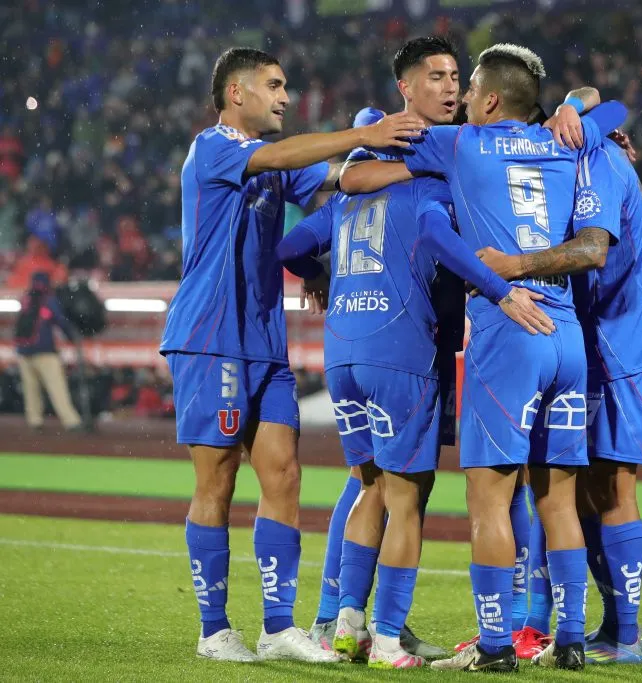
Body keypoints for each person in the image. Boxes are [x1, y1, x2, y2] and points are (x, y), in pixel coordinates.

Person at [342, 43, 626, 671]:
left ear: (490, 100)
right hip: (566, 332)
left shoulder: (462, 144)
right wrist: (578, 104)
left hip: (506, 329)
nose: (460, 99)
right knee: (558, 499)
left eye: (467, 89)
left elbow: (368, 143)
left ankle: (495, 649)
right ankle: (570, 640)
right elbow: (612, 107)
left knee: (490, 502)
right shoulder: (567, 143)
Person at [158, 46, 425, 663]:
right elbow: (278, 155)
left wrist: (427, 170)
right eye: (274, 86)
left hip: (263, 341)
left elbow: (345, 178)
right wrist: (364, 132)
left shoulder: (277, 165)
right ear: (237, 94)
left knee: (283, 473)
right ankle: (214, 629)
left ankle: (278, 628)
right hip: (209, 337)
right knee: (218, 480)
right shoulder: (215, 147)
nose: (284, 97)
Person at [477, 132, 642, 665]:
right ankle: (568, 624)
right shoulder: (572, 151)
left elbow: (592, 249)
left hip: (623, 344)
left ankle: (624, 635)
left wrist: (512, 266)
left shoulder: (597, 157)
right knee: (565, 486)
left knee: (611, 484)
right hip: (586, 341)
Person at [306, 35, 464, 662]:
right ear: (404, 87)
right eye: (435, 76)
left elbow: (303, 236)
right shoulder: (417, 151)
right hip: (406, 347)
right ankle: (388, 635)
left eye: (456, 75)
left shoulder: (379, 159)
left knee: (371, 483)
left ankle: (340, 622)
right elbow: (359, 178)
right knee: (404, 492)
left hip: (349, 341)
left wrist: (319, 278)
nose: (450, 86)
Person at [13, 272, 84, 432]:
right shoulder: (48, 299)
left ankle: (34, 420)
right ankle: (71, 421)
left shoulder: (26, 298)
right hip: (44, 351)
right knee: (57, 388)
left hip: (24, 351)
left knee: (31, 389)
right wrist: (73, 336)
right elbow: (60, 321)